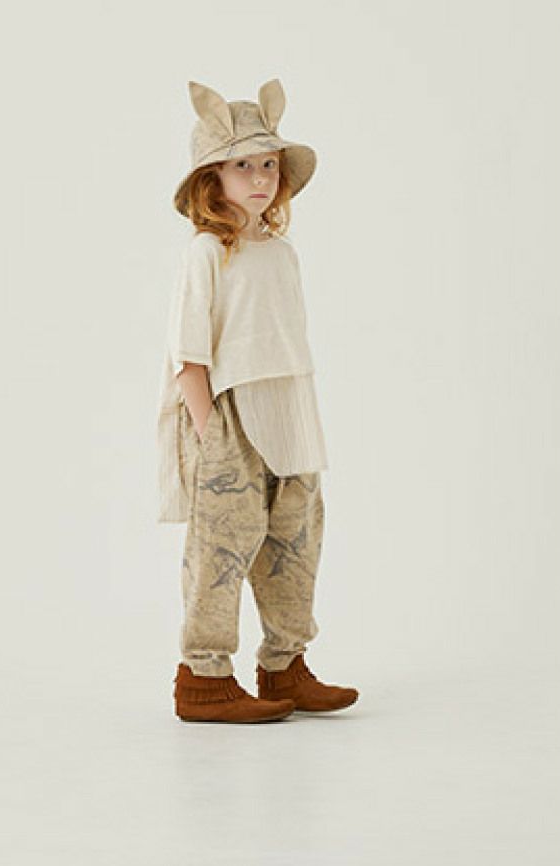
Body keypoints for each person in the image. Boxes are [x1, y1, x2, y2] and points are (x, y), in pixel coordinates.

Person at [156, 78, 359, 724]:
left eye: (269, 165)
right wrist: (210, 432)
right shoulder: (206, 253)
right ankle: (204, 677)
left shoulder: (282, 255)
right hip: (230, 415)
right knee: (223, 542)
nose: (260, 178)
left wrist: (302, 416)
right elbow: (189, 355)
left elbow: (286, 342)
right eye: (242, 165)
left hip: (289, 411)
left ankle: (284, 664)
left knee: (296, 539)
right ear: (211, 178)